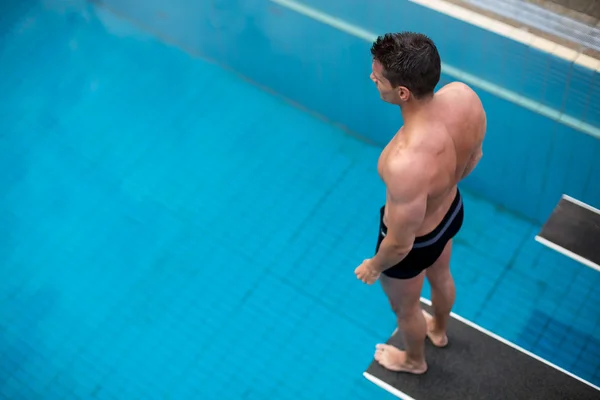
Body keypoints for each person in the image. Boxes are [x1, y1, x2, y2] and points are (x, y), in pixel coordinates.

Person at [354, 32, 486, 375]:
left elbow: (399, 244)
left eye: (378, 76)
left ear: (402, 92)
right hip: (452, 211)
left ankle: (414, 361)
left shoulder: (405, 163)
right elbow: (475, 156)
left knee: (406, 309)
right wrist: (443, 188)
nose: (372, 78)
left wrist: (375, 264)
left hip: (417, 241)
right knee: (442, 275)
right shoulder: (464, 96)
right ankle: (439, 331)